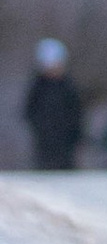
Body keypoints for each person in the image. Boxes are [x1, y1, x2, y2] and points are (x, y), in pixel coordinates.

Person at [21, 39, 82, 174]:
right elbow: (28, 110)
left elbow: (76, 111)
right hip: (45, 139)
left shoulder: (68, 86)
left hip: (65, 140)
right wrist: (40, 126)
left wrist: (74, 132)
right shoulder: (38, 86)